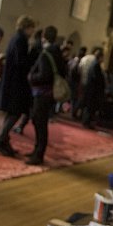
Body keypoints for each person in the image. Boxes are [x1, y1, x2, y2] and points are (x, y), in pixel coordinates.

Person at [0, 14, 36, 156]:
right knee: (16, 112)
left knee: (12, 112)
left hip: (12, 82)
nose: (32, 32)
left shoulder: (16, 38)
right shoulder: (20, 40)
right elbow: (21, 62)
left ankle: (3, 140)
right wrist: (33, 55)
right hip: (16, 83)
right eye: (32, 29)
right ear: (26, 27)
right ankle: (1, 140)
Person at [25, 25, 67, 165]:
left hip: (42, 93)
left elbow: (44, 75)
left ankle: (38, 154)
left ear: (44, 36)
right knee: (41, 123)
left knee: (40, 123)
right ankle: (37, 150)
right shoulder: (58, 53)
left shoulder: (46, 53)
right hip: (50, 94)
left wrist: (31, 77)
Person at [14, 28, 43, 134]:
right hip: (39, 81)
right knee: (30, 106)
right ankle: (22, 125)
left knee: (29, 106)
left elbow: (30, 62)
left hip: (33, 79)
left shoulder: (36, 47)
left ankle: (21, 125)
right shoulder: (42, 47)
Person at [80, 46, 106, 129]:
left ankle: (86, 121)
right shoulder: (95, 65)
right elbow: (96, 78)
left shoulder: (94, 64)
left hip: (91, 89)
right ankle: (86, 122)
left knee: (89, 106)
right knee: (90, 107)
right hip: (93, 90)